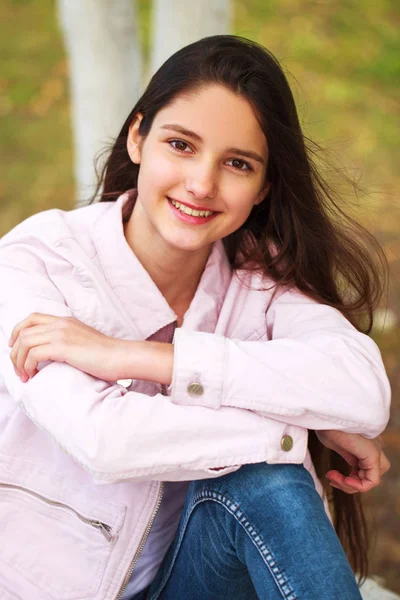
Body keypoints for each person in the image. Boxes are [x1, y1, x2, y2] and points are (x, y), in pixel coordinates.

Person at [0, 35, 391, 600]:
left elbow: (363, 394)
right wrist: (294, 427)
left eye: (237, 163)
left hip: (182, 585)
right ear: (138, 137)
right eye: (181, 145)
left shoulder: (259, 281)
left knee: (266, 483)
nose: (202, 184)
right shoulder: (39, 260)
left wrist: (143, 357)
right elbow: (106, 440)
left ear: (263, 188)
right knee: (271, 463)